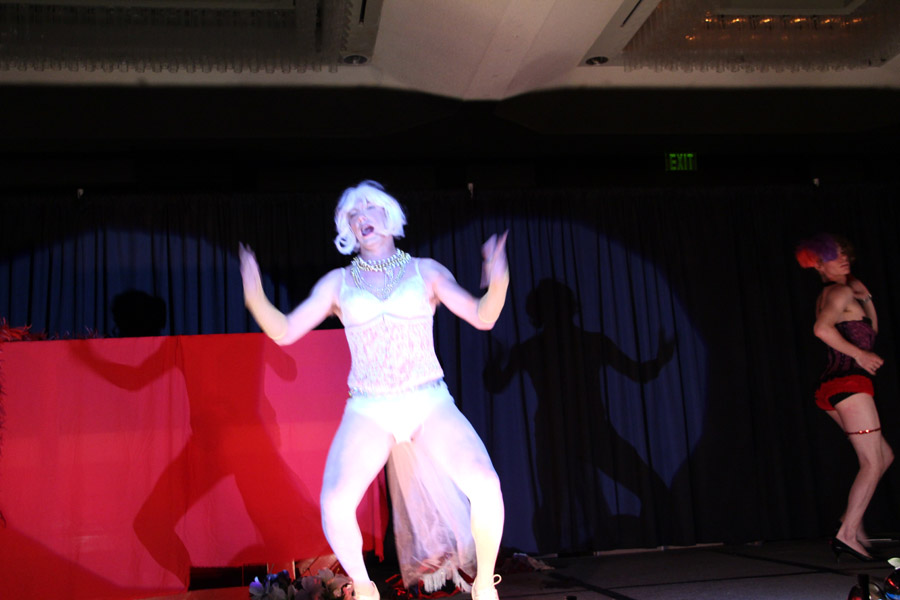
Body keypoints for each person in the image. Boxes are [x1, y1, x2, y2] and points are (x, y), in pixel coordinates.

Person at [239, 181, 509, 600]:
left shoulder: (425, 271)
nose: (361, 218)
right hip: (369, 408)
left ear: (389, 214)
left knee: (486, 484)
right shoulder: (338, 283)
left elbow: (483, 316)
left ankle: (485, 585)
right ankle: (365, 589)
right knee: (335, 501)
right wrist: (255, 294)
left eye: (368, 208)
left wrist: (498, 276)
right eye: (352, 215)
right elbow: (286, 331)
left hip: (428, 400)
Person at [796, 233, 893, 561]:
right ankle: (847, 533)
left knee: (883, 456)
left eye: (844, 253)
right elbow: (821, 330)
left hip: (835, 385)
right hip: (849, 383)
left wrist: (867, 298)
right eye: (834, 256)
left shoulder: (840, 292)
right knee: (873, 461)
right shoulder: (838, 292)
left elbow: (870, 333)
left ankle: (851, 524)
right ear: (819, 265)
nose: (844, 259)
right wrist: (860, 356)